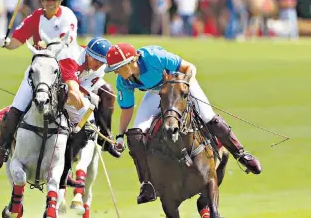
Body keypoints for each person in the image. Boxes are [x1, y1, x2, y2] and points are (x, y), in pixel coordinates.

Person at [104, 43, 262, 205]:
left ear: (131, 61)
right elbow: (127, 109)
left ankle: (241, 154)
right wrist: (120, 135)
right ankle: (147, 184)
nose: (116, 72)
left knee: (208, 116)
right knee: (136, 135)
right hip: (156, 92)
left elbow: (189, 67)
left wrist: (183, 88)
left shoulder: (154, 58)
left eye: (118, 67)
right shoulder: (123, 82)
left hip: (180, 83)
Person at [0, 0, 118, 171]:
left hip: (65, 69)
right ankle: (1, 147)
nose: (50, 3)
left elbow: (67, 43)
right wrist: (7, 43)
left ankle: (100, 141)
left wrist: (48, 44)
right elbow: (17, 40)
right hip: (40, 70)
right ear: (41, 1)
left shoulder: (68, 16)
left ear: (60, 0)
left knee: (96, 102)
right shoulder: (34, 18)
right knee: (17, 108)